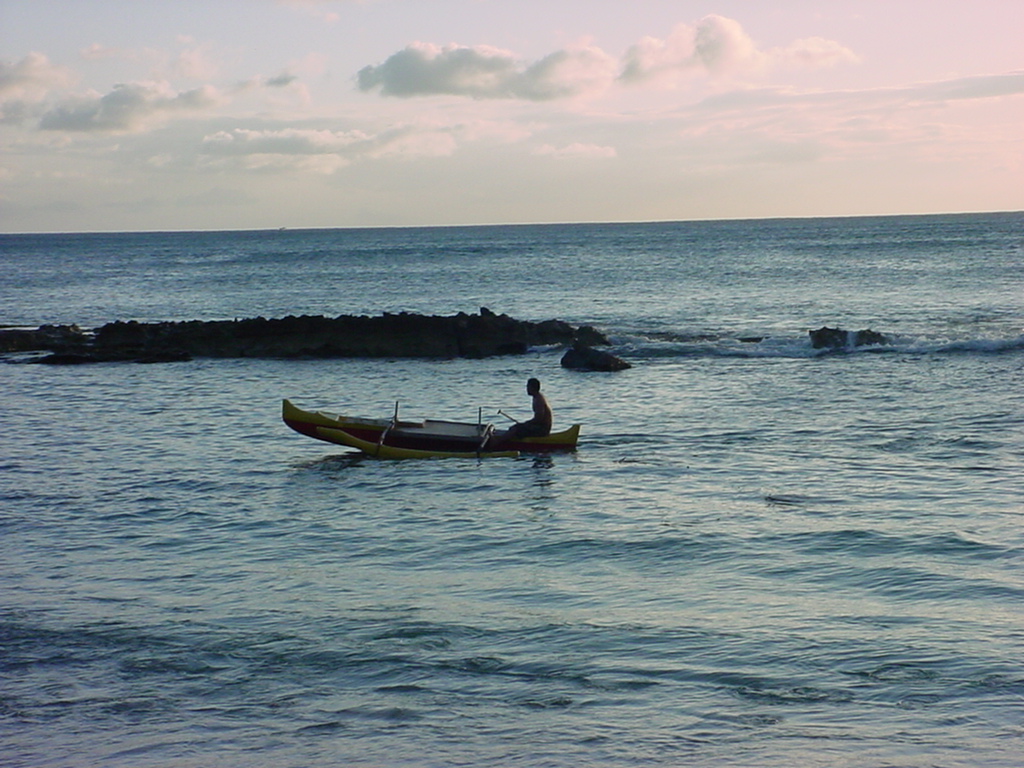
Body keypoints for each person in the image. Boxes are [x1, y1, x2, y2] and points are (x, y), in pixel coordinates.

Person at [494, 378, 552, 447]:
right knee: (516, 428)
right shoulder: (538, 397)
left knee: (515, 429)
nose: (526, 389)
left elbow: (539, 419)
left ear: (533, 387)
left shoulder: (538, 400)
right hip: (541, 427)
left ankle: (496, 443)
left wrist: (526, 423)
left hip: (542, 430)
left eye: (528, 387)